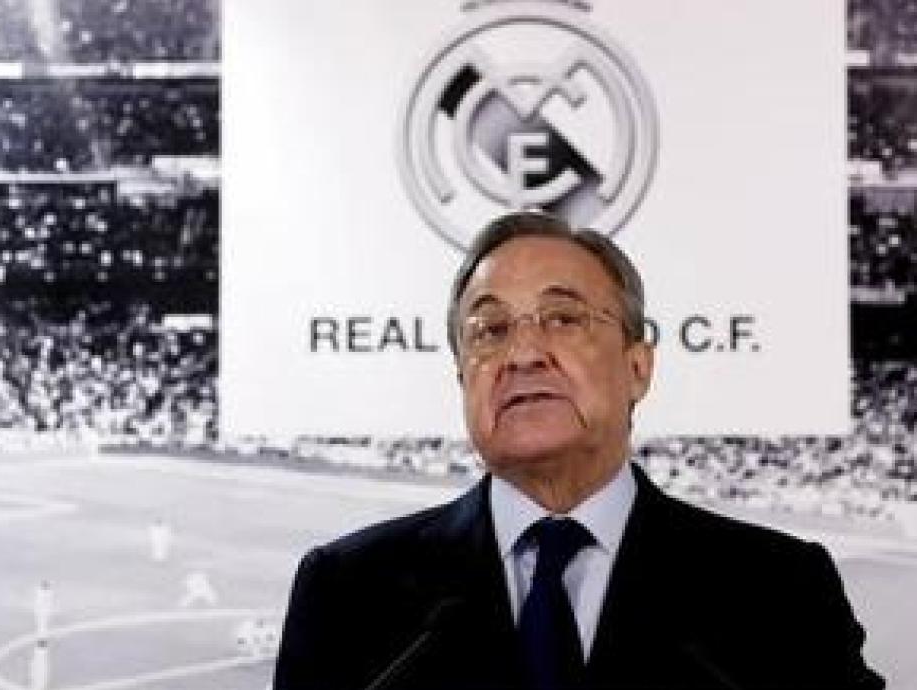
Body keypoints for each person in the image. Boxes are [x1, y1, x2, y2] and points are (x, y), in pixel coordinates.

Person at [273, 212, 884, 690]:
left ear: (638, 367)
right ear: (463, 378)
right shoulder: (348, 593)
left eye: (562, 319)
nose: (522, 354)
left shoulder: (779, 592)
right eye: (489, 330)